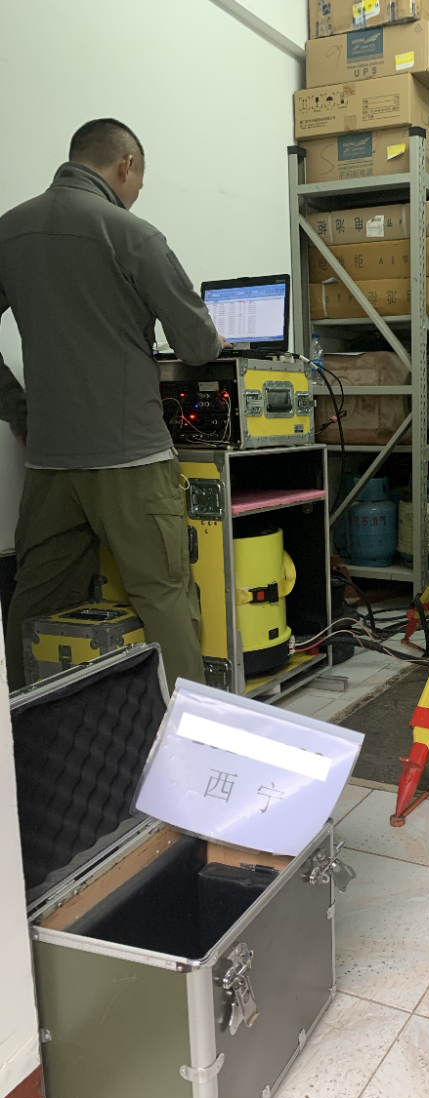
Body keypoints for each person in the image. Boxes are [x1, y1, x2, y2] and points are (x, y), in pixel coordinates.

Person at [0, 118, 224, 691]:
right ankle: (185, 727)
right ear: (126, 165)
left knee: (37, 602)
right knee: (164, 595)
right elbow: (198, 345)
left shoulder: (9, 231)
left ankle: (25, 725)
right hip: (132, 458)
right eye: (138, 183)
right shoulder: (131, 234)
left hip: (49, 462)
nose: (135, 194)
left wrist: (20, 413)